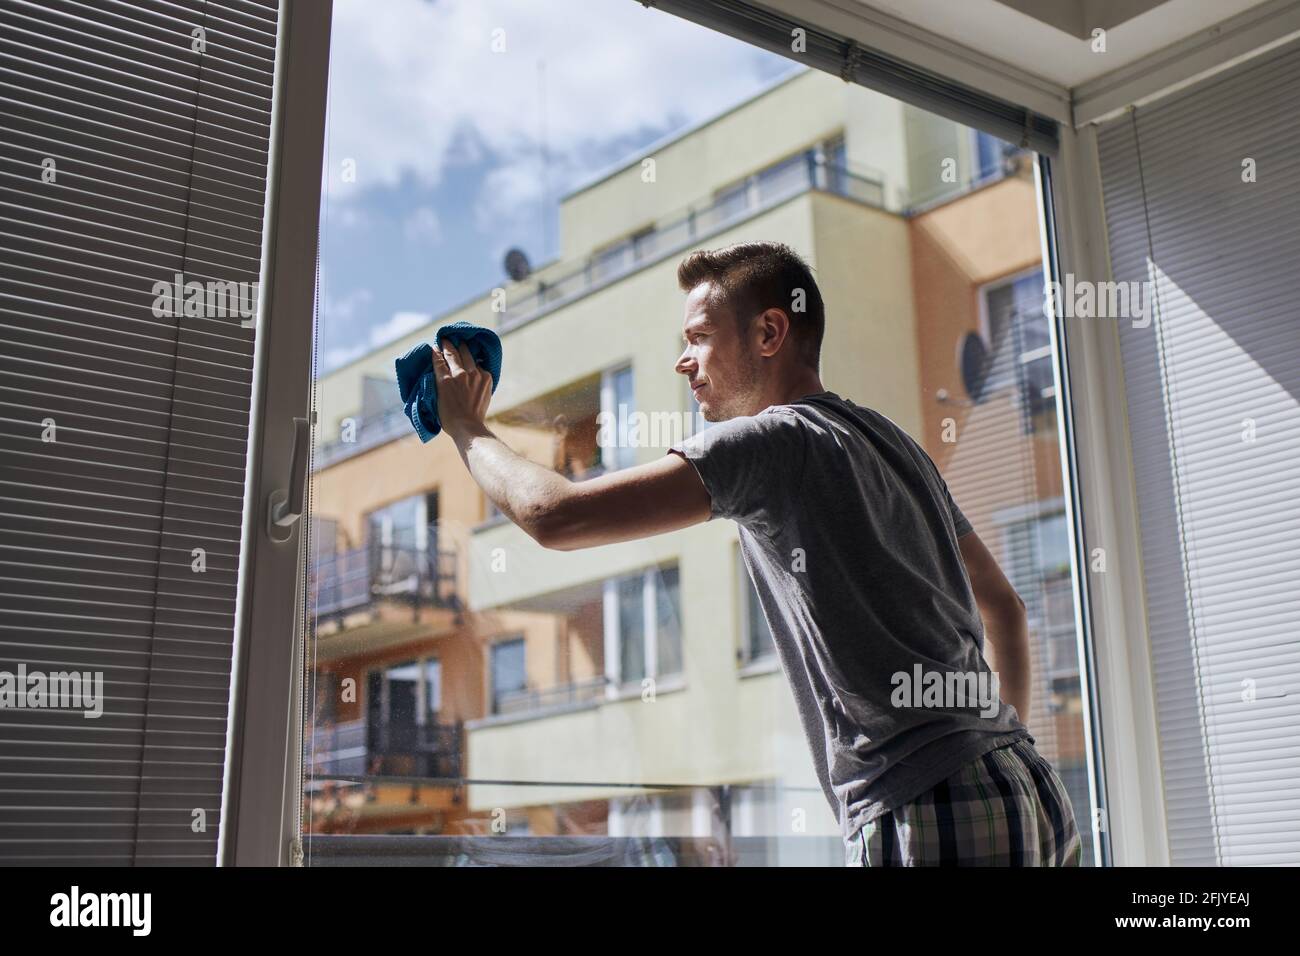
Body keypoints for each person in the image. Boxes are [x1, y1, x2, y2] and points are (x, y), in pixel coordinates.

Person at [431, 240, 1082, 866]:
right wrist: (994, 749)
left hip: (932, 807)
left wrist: (465, 426)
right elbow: (1007, 608)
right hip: (1024, 787)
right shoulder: (892, 443)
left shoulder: (768, 442)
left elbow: (556, 514)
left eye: (698, 338)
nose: (683, 362)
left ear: (769, 334)